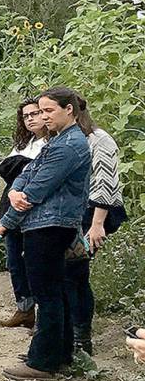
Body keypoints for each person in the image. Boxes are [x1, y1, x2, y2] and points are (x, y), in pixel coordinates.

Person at [0, 86, 91, 381]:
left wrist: (3, 224)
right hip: (48, 224)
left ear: (69, 109)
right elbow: (27, 174)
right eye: (41, 111)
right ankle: (60, 354)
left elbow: (37, 189)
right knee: (56, 291)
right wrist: (15, 190)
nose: (44, 117)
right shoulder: (59, 140)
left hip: (49, 226)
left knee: (47, 294)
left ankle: (42, 362)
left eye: (49, 111)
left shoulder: (69, 145)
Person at [63, 97, 126, 354]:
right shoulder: (64, 139)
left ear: (71, 111)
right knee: (66, 273)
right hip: (74, 211)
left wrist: (97, 223)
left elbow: (106, 182)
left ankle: (81, 338)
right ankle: (67, 335)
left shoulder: (99, 139)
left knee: (75, 273)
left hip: (94, 212)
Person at [0, 98, 50, 329]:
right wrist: (22, 164)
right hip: (13, 206)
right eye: (26, 116)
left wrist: (19, 166)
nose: (30, 119)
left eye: (35, 114)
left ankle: (44, 318)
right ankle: (24, 309)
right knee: (15, 259)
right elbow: (0, 168)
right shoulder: (24, 143)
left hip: (38, 209)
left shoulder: (54, 143)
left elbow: (38, 174)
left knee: (37, 263)